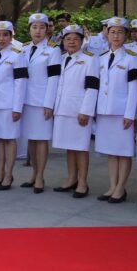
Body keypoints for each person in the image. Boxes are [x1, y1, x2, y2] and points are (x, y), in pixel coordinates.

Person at [94, 17, 137, 204]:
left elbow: (134, 88)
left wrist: (130, 114)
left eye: (120, 32)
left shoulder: (132, 58)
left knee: (123, 150)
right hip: (104, 111)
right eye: (112, 32)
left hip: (122, 112)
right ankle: (112, 186)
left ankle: (121, 188)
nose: (115, 36)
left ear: (126, 35)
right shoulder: (101, 57)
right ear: (107, 34)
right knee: (111, 151)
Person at [51, 24, 99, 198]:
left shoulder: (90, 59)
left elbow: (92, 87)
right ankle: (71, 179)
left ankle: (83, 182)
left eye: (75, 39)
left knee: (81, 147)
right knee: (69, 147)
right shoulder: (61, 58)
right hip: (63, 108)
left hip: (79, 110)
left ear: (82, 41)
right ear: (63, 41)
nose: (71, 42)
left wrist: (86, 111)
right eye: (68, 39)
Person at [19, 13, 60, 193]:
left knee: (41, 139)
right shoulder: (23, 48)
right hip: (26, 100)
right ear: (29, 30)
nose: (38, 31)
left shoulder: (53, 50)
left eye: (42, 27)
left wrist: (49, 104)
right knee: (31, 139)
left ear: (47, 30)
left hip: (42, 101)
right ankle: (34, 174)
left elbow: (54, 79)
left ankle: (40, 177)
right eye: (34, 27)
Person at [0, 21, 26, 190]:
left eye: (5, 35)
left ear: (11, 36)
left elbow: (21, 83)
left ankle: (9, 174)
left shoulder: (18, 54)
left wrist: (17, 107)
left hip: (9, 104)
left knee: (9, 139)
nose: (2, 38)